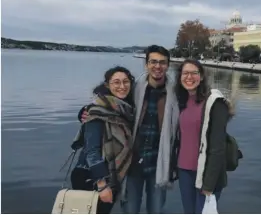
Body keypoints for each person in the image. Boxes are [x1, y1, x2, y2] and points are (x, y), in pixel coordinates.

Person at [80, 45, 179, 214]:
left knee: (156, 210)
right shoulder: (134, 89)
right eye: (153, 61)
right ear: (146, 64)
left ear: (168, 65)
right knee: (130, 209)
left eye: (162, 62)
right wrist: (83, 112)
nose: (158, 66)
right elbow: (108, 103)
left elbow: (196, 105)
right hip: (131, 163)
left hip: (160, 163)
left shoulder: (176, 92)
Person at [70, 66, 135, 214]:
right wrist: (102, 185)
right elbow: (91, 150)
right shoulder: (96, 111)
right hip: (91, 177)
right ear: (107, 85)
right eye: (116, 82)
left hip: (112, 175)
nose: (122, 86)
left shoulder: (125, 109)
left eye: (126, 82)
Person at [172, 59, 233, 214]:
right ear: (180, 76)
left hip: (207, 174)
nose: (189, 77)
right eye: (185, 73)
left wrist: (209, 185)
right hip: (184, 170)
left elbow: (217, 147)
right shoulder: (181, 101)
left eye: (194, 73)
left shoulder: (215, 102)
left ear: (202, 76)